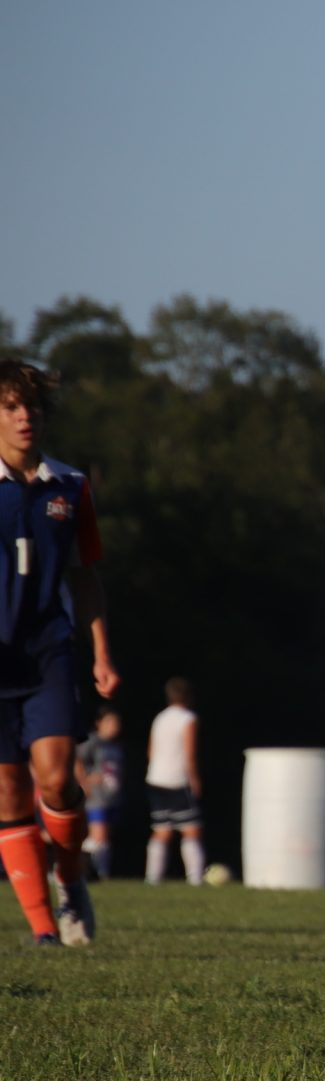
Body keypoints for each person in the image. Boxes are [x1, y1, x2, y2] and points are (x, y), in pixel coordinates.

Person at [0, 360, 119, 945]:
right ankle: (45, 932)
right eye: (10, 407)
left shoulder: (69, 485)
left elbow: (85, 575)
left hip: (49, 649)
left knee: (55, 780)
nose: (25, 417)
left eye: (32, 407)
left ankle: (71, 878)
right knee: (8, 793)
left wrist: (101, 653)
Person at [145, 677, 203, 885]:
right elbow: (189, 752)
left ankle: (152, 878)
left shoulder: (160, 718)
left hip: (155, 778)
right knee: (191, 829)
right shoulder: (188, 718)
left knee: (161, 830)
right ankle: (195, 878)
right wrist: (194, 779)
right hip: (177, 779)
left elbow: (151, 750)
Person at [76, 704, 125, 880]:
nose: (114, 725)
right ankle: (85, 869)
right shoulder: (92, 742)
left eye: (116, 722)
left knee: (104, 838)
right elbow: (77, 760)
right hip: (96, 798)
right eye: (109, 721)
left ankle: (100, 872)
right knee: (98, 837)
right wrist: (85, 782)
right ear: (99, 723)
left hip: (111, 797)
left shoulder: (115, 745)